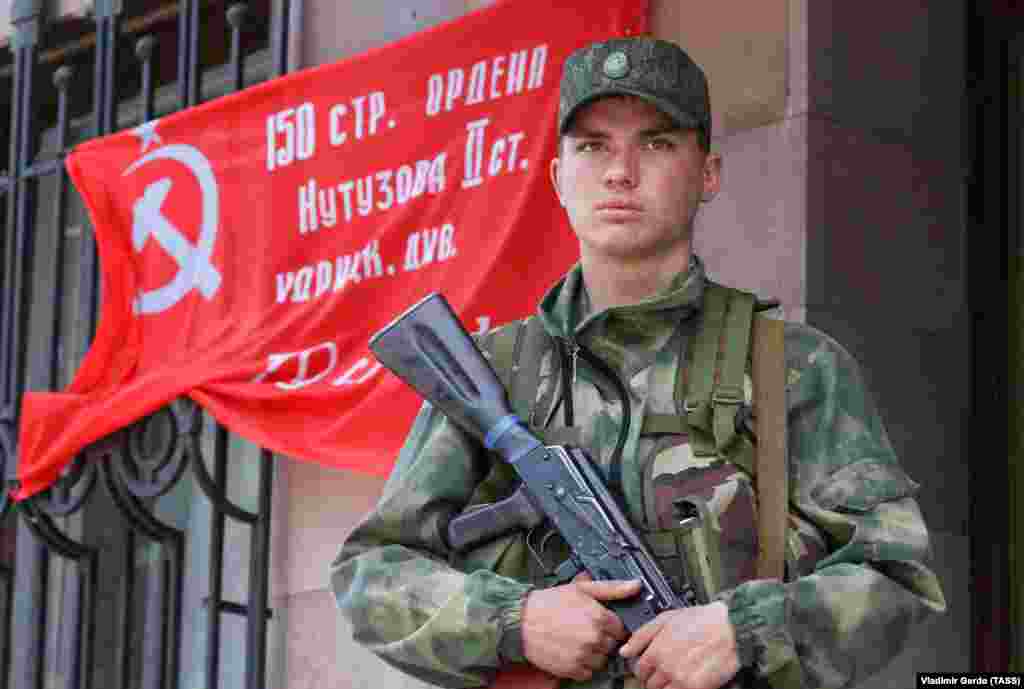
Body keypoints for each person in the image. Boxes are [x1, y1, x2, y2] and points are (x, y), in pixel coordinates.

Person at [331, 37, 946, 689]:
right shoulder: (496, 372)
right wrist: (516, 618)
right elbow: (370, 574)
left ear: (708, 172)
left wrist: (745, 630)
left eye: (656, 143)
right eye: (593, 146)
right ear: (557, 176)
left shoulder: (791, 367)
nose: (620, 172)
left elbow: (895, 574)